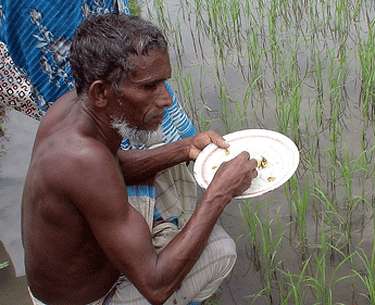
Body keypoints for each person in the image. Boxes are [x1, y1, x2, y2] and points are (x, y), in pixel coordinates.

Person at [22, 14, 258, 305]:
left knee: (167, 166)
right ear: (101, 92)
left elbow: (115, 168)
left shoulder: (70, 108)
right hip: (92, 300)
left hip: (84, 272)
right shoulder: (82, 161)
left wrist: (184, 149)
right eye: (149, 87)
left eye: (164, 83)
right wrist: (219, 193)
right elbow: (155, 286)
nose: (167, 99)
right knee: (221, 250)